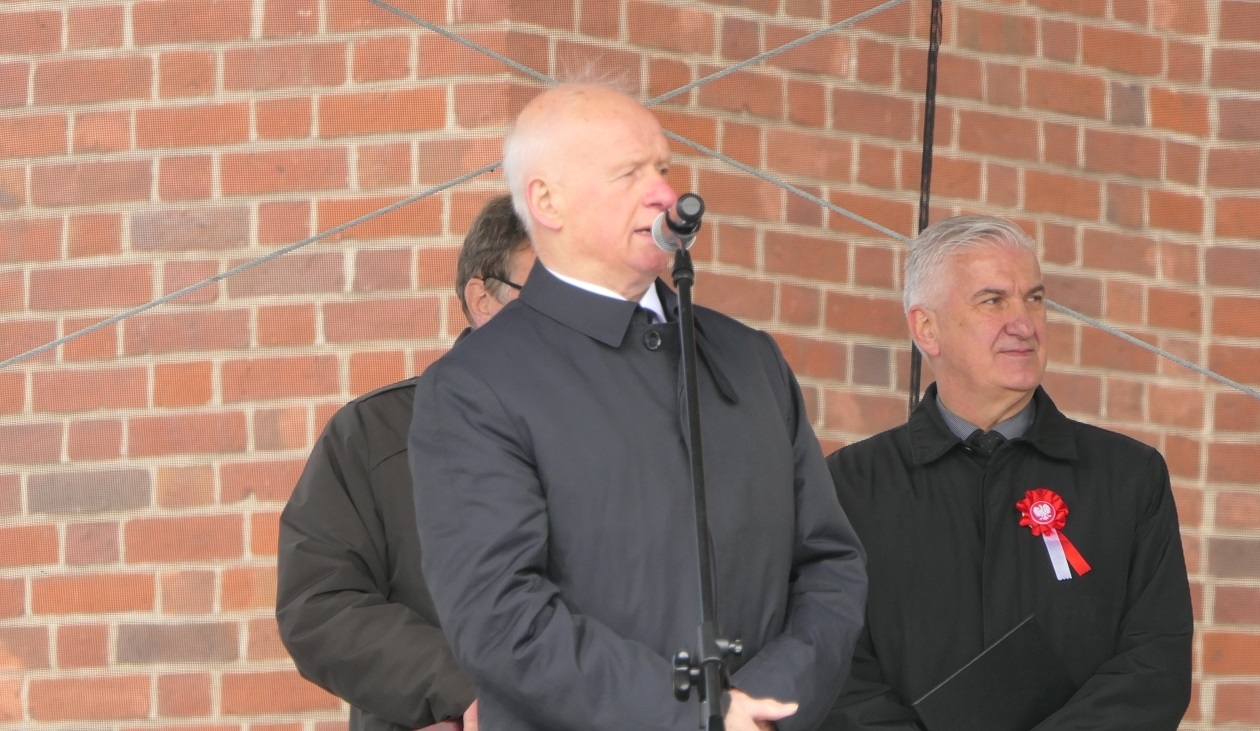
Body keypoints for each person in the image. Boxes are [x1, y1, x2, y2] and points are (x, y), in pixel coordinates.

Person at [407, 83, 867, 731]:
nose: (662, 193)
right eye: (629, 173)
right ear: (547, 201)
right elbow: (500, 617)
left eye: (664, 169)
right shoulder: (476, 385)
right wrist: (693, 715)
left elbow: (830, 566)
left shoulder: (749, 358)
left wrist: (765, 705)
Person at [821, 215, 1193, 731]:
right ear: (926, 328)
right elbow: (833, 667)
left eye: (1034, 298)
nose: (1024, 323)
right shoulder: (850, 485)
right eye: (993, 301)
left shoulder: (1129, 478)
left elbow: (1154, 667)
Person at [276, 194, 536, 731]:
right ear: (482, 299)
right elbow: (319, 605)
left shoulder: (614, 435)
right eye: (546, 296)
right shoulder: (372, 434)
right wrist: (461, 691)